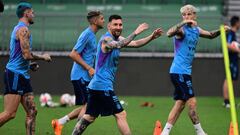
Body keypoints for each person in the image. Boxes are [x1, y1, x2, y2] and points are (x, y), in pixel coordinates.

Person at [71, 14, 163, 135]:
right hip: (102, 86)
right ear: (109, 26)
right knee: (121, 114)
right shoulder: (106, 40)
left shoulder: (117, 39)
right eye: (115, 24)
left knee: (89, 117)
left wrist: (151, 37)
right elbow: (119, 45)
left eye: (120, 24)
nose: (118, 27)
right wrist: (136, 32)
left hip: (96, 86)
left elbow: (134, 44)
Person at [161, 4, 230, 135]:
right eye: (184, 15)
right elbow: (169, 33)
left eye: (189, 14)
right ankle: (200, 132)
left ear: (195, 15)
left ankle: (164, 132)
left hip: (184, 72)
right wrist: (183, 23)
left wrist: (222, 30)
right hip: (179, 71)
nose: (186, 16)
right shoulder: (182, 30)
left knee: (180, 104)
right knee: (192, 102)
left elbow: (210, 35)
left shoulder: (196, 30)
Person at [0, 2, 51, 135]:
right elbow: (26, 54)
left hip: (22, 74)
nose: (34, 14)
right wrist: (43, 57)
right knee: (10, 113)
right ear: (26, 13)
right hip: (15, 74)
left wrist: (29, 65)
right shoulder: (23, 30)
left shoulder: (22, 29)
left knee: (32, 111)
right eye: (32, 12)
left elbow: (19, 55)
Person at [51, 10, 104, 135]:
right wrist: (89, 68)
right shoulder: (87, 34)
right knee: (88, 108)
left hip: (84, 76)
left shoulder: (92, 35)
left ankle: (59, 122)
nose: (104, 20)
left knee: (89, 106)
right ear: (95, 21)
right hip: (80, 76)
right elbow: (73, 54)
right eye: (102, 18)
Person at [222, 16, 240, 108]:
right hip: (231, 59)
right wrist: (238, 50)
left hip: (234, 59)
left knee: (231, 80)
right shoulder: (231, 33)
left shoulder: (233, 33)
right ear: (236, 23)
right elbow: (226, 44)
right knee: (228, 79)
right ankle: (226, 101)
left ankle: (229, 101)